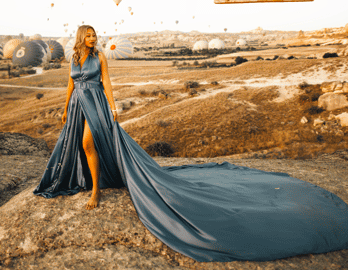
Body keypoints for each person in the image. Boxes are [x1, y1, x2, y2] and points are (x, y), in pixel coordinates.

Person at [34, 25, 348, 262]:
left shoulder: (101, 56)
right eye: (88, 35)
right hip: (78, 104)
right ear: (80, 38)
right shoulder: (75, 57)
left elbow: (107, 83)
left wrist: (114, 107)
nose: (93, 38)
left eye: (94, 35)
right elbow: (70, 83)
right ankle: (95, 182)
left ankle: (95, 191)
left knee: (91, 142)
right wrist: (64, 108)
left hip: (98, 105)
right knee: (85, 146)